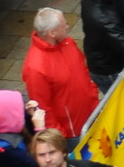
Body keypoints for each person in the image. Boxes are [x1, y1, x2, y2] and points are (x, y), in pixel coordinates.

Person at [21, 8, 99, 143]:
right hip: (72, 133)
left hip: (92, 115)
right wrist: (59, 138)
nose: (67, 27)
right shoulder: (36, 68)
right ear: (52, 33)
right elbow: (43, 108)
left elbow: (83, 71)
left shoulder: (68, 42)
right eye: (64, 26)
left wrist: (93, 98)